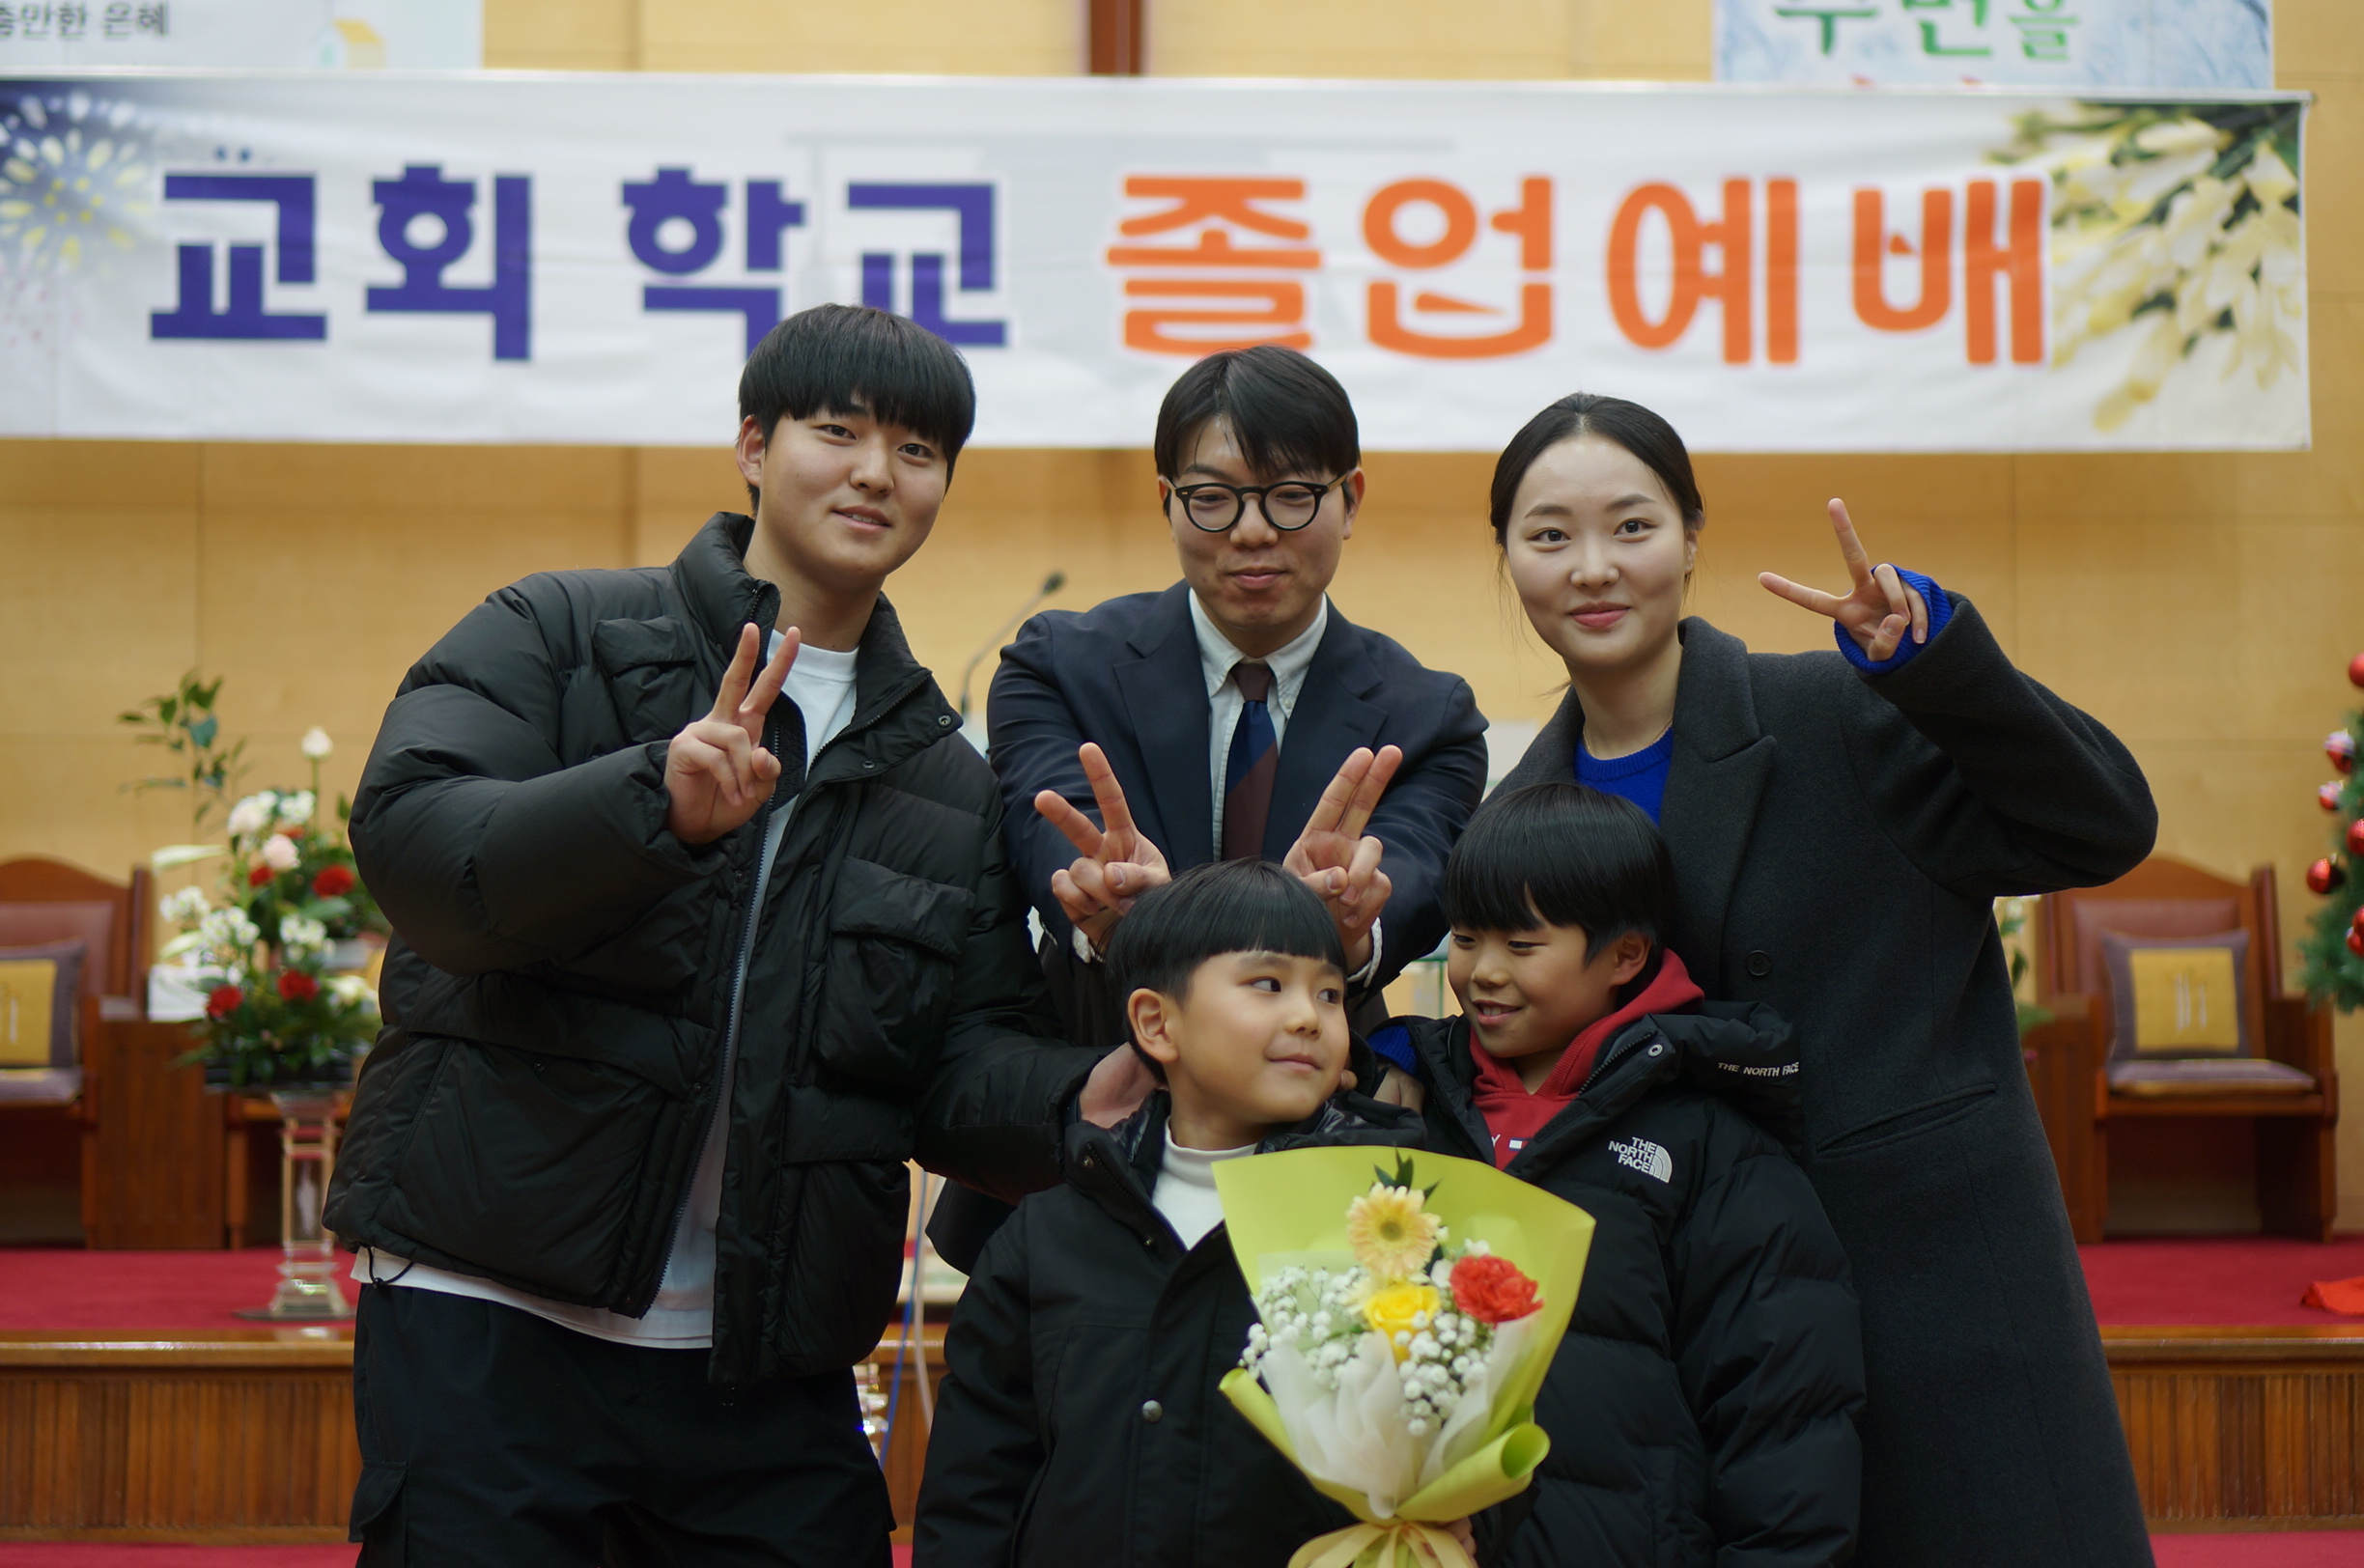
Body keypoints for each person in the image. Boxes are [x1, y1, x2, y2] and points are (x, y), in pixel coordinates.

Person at [325, 303, 1136, 1568]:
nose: (877, 473)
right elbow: (423, 851)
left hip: (765, 1362)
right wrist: (647, 805)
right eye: (838, 432)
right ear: (755, 445)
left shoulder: (942, 775)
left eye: (918, 451)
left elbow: (949, 1068)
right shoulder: (561, 631)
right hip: (488, 1318)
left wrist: (1086, 1096)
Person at [1481, 393, 2156, 1565]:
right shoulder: (1520, 816)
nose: (1592, 567)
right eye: (1549, 535)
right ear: (1507, 558)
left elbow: (2102, 824)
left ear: (1693, 537)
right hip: (1691, 1325)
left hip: (1926, 1286)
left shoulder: (1838, 711)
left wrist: (1938, 669)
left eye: (1632, 526)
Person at [1375, 781, 1864, 1567]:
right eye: (1465, 939)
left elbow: (1785, 1416)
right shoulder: (1406, 1106)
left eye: (1521, 946)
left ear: (1625, 956)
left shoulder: (1709, 1144)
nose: (1483, 972)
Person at [913, 859, 1430, 1568]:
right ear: (1156, 1023)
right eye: (1268, 984)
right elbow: (974, 1486)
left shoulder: (1388, 1229)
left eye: (1331, 993)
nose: (1308, 1017)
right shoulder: (1047, 1237)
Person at [988, 343, 1490, 1048]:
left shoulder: (1430, 720)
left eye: (1292, 495)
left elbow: (1404, 883)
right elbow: (1051, 834)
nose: (1252, 531)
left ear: (1350, 500)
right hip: (1090, 1066)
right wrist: (1111, 901)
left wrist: (1344, 926)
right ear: (1167, 503)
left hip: (1317, 1084)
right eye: (1213, 499)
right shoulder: (1057, 668)